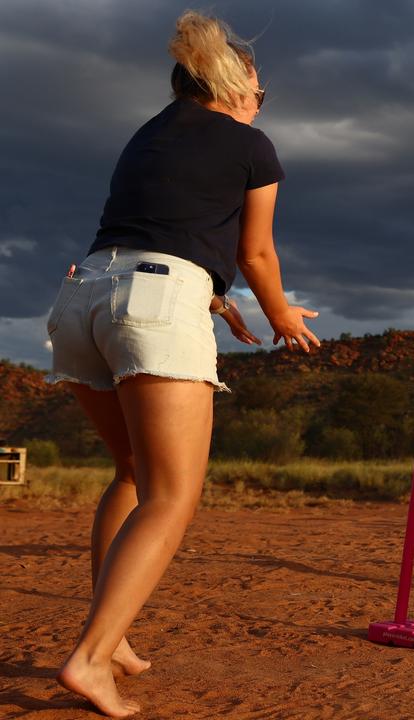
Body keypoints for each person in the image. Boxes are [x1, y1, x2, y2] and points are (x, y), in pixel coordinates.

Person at [45, 11, 319, 717]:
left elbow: (166, 231)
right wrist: (281, 314)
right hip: (157, 302)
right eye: (260, 89)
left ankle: (113, 635)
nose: (263, 101)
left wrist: (218, 302)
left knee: (134, 474)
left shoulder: (147, 135)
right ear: (234, 88)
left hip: (83, 296)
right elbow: (255, 251)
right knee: (174, 495)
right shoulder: (252, 145)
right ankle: (91, 658)